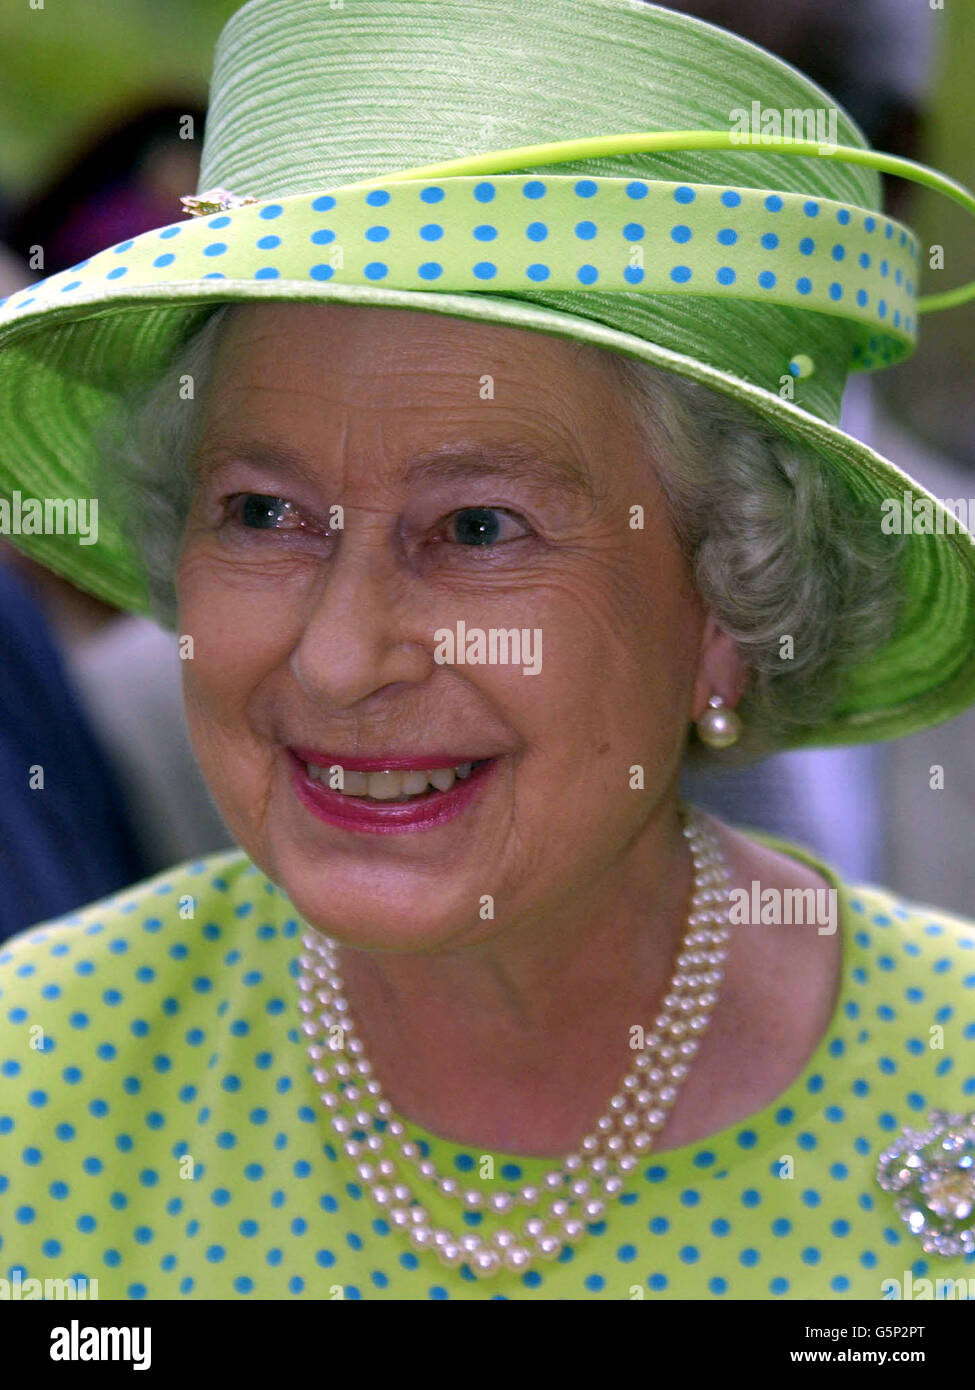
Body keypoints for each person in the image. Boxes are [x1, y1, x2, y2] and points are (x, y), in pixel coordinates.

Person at [0, 0, 974, 1300]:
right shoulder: (36, 1075)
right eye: (264, 513)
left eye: (476, 525)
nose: (340, 658)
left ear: (734, 607)